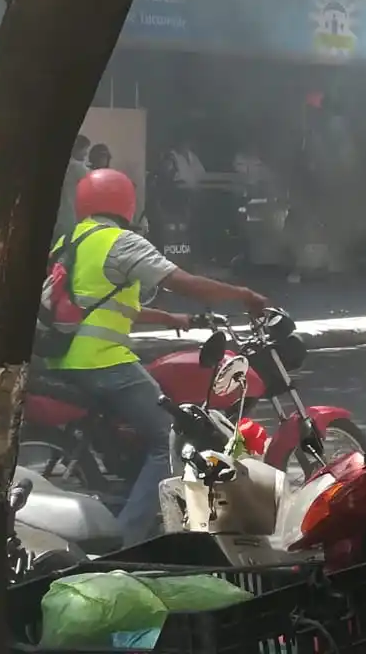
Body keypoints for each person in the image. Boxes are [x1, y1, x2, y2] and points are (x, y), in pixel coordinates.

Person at [38, 168, 270, 545]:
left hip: (62, 361)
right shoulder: (120, 241)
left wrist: (169, 318)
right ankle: (128, 540)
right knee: (170, 437)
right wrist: (244, 295)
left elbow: (98, 305)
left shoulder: (70, 241)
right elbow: (185, 283)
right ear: (125, 202)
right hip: (103, 363)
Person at [54, 135, 91, 243]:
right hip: (69, 215)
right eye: (84, 149)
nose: (86, 153)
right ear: (76, 149)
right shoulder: (76, 167)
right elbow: (93, 178)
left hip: (61, 214)